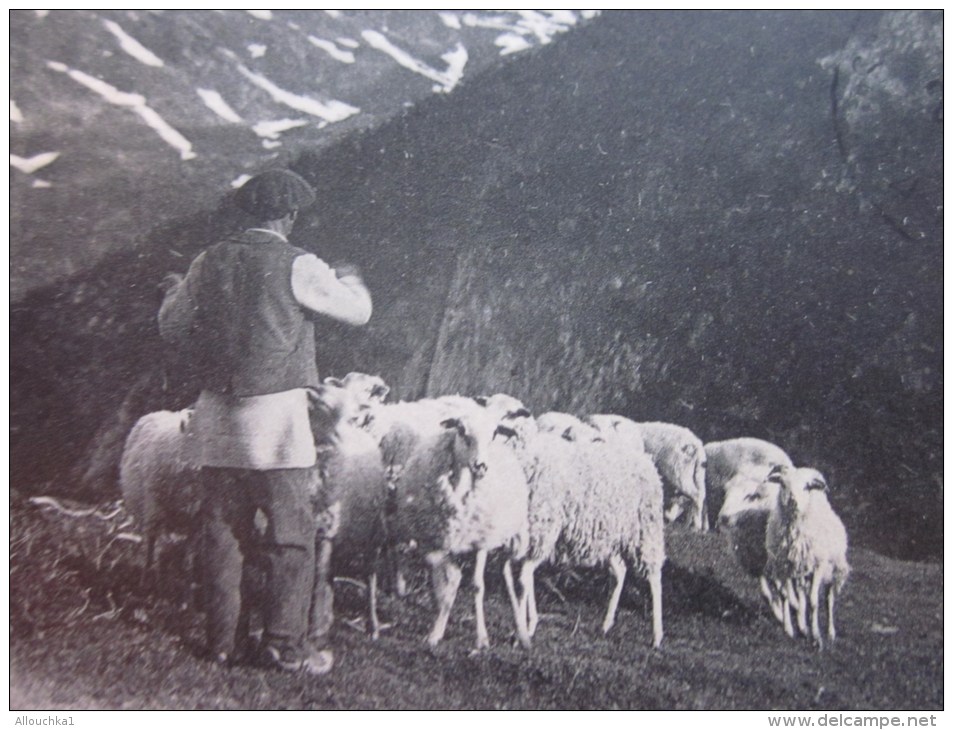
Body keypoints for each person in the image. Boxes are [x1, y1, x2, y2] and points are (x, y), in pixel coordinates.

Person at [158, 169, 372, 675]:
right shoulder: (299, 264)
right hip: (275, 422)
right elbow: (358, 313)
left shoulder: (207, 260)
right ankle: (283, 644)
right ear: (290, 216)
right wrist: (350, 278)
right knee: (290, 535)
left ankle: (220, 642)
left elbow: (171, 326)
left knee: (220, 531)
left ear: (246, 211)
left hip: (216, 417)